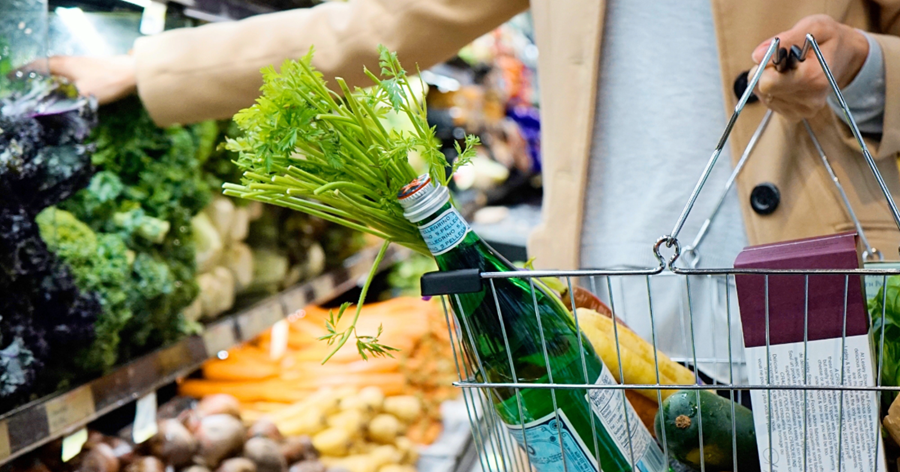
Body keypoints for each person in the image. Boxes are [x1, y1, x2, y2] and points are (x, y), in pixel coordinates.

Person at [48, 0, 900, 382]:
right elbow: (373, 25)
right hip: (604, 321)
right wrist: (150, 69)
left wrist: (862, 73)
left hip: (823, 315)